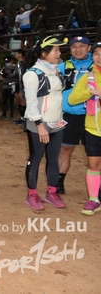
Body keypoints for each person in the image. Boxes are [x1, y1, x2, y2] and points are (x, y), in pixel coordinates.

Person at [22, 35, 67, 210]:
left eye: (59, 50)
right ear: (44, 53)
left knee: (53, 159)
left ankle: (52, 192)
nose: (59, 53)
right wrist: (39, 125)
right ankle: (32, 194)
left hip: (56, 122)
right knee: (36, 158)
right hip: (39, 124)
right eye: (55, 50)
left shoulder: (56, 71)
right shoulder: (32, 74)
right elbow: (31, 102)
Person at [68, 41, 101, 215]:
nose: (99, 57)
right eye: (96, 53)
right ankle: (93, 200)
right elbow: (72, 99)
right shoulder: (88, 77)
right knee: (93, 165)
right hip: (92, 129)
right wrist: (91, 92)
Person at [56, 36, 92, 194]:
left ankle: (96, 186)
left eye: (82, 46)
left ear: (89, 48)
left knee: (94, 152)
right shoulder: (63, 67)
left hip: (91, 115)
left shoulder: (96, 66)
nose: (78, 50)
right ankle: (58, 182)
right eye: (74, 46)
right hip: (68, 115)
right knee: (65, 149)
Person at [0, 56, 18, 120]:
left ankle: (11, 115)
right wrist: (5, 76)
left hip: (11, 86)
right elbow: (0, 77)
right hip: (5, 86)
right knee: (4, 101)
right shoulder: (3, 68)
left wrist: (8, 76)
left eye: (8, 61)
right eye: (6, 61)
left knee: (11, 101)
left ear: (11, 61)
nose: (7, 63)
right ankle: (4, 114)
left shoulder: (14, 67)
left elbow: (15, 75)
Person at [14, 49, 28, 125]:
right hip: (17, 83)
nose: (15, 55)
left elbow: (19, 74)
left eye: (16, 53)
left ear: (20, 54)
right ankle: (22, 117)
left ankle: (25, 118)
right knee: (18, 100)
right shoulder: (18, 63)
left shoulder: (23, 63)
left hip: (21, 84)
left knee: (22, 101)